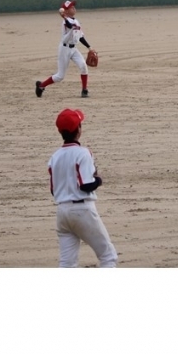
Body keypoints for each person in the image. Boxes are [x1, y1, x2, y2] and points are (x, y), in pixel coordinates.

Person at [47, 108, 118, 268]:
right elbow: (86, 185)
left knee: (67, 263)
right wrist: (98, 180)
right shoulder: (83, 153)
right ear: (79, 129)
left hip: (62, 213)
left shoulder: (54, 156)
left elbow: (53, 190)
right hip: (82, 211)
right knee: (108, 256)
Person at [35, 0, 95, 99]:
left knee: (83, 66)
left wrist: (89, 47)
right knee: (60, 76)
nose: (74, 8)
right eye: (71, 7)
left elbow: (80, 37)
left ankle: (84, 90)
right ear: (66, 11)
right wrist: (64, 17)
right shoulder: (65, 21)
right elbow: (69, 26)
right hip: (64, 49)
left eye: (74, 6)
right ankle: (41, 86)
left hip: (73, 49)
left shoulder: (76, 21)